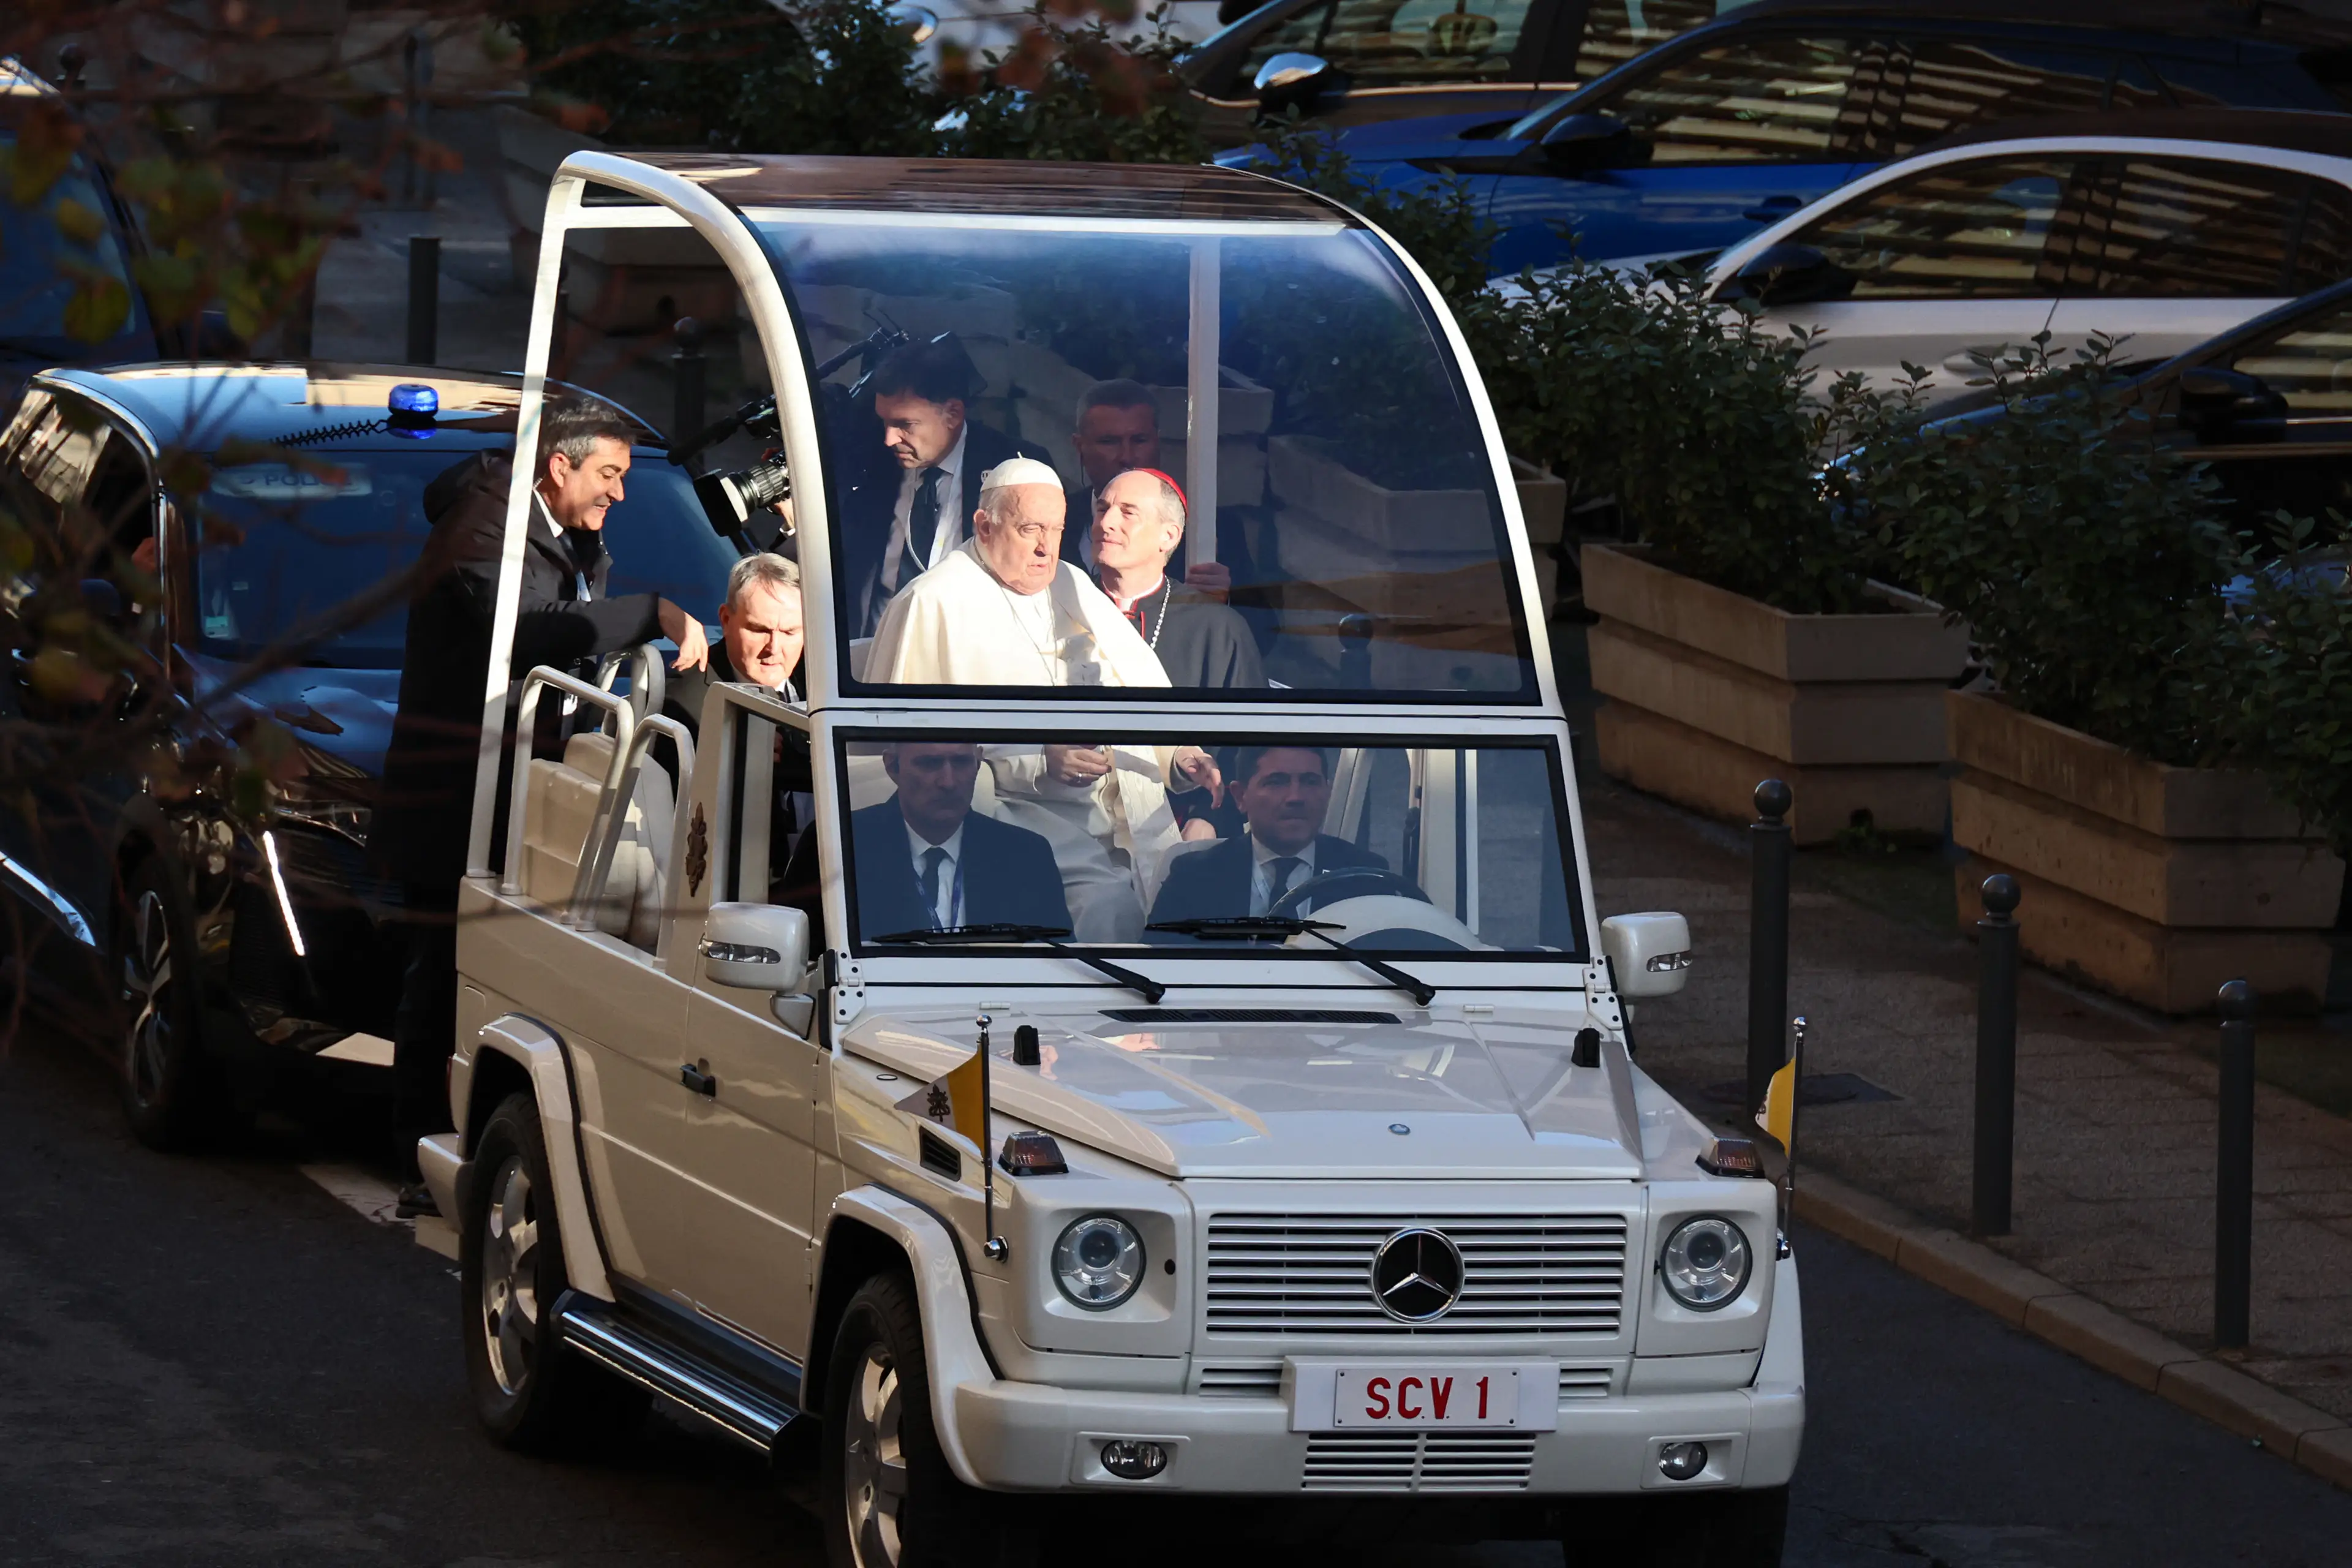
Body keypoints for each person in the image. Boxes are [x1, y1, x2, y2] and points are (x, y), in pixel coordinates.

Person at [372, 404, 709, 1215]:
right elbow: (526, 632)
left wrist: (591, 549)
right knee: (442, 972)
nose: (620, 495)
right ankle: (419, 1150)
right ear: (559, 468)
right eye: (608, 477)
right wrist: (653, 610)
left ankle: (481, 1144)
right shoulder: (485, 525)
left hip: (520, 788)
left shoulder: (550, 524)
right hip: (458, 797)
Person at [864, 457, 1216, 939]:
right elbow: (908, 750)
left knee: (1186, 901)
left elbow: (1138, 690)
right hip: (1014, 812)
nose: (1045, 547)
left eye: (1056, 529)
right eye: (1030, 528)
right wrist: (1039, 758)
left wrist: (1178, 754)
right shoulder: (934, 602)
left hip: (1120, 812)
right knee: (1109, 905)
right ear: (984, 527)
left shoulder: (1071, 583)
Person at [833, 334, 1049, 639]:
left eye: (905, 424)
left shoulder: (1015, 469)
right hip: (875, 654)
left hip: (971, 656)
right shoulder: (868, 461)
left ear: (953, 414)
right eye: (884, 422)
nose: (889, 439)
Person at [661, 551, 811, 867]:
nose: (774, 648)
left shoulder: (825, 681)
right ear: (726, 621)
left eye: (789, 632)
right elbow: (675, 825)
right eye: (759, 630)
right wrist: (728, 757)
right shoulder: (684, 705)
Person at [1147, 745, 1390, 932]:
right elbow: (1156, 972)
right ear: (1240, 797)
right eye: (1277, 782)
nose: (1296, 797)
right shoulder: (1192, 877)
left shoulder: (1367, 878)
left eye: (1310, 782)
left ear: (1327, 793)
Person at [850, 742, 1072, 937]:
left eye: (961, 762)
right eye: (930, 764)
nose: (948, 782)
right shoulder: (845, 847)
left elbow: (1058, 962)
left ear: (978, 763)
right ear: (892, 766)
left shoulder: (1027, 857)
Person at [1092, 467, 1264, 690]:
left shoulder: (1218, 628)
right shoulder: (1063, 604)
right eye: (1102, 509)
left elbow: (1245, 721)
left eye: (1128, 513)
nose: (1106, 523)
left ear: (1169, 536)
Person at [1060, 379, 1231, 598]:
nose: (1127, 456)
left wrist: (1228, 599)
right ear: (1080, 446)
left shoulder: (1211, 530)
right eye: (1109, 442)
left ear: (1158, 442)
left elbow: (1262, 621)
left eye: (1140, 440)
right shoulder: (1056, 519)